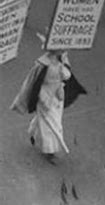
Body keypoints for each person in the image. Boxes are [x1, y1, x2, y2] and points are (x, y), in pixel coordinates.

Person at [10, 36, 86, 164]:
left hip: (57, 97)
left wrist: (63, 68)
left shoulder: (62, 61)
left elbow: (67, 76)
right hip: (45, 96)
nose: (63, 50)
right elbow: (32, 82)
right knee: (51, 124)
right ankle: (49, 150)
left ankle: (34, 133)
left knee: (51, 120)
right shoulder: (42, 64)